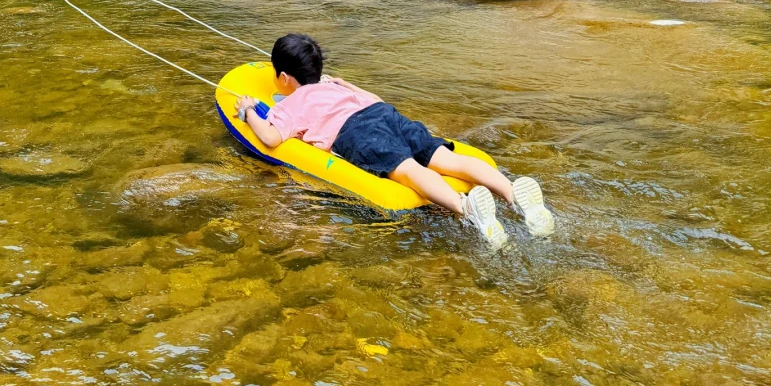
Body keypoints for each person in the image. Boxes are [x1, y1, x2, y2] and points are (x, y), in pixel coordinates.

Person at [236, 33, 554, 249]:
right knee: (446, 159)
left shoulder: (293, 101)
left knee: (407, 170)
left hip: (354, 131)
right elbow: (374, 98)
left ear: (283, 79)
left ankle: (466, 208)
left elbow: (270, 137)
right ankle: (513, 195)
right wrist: (349, 84)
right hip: (383, 113)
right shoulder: (337, 86)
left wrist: (250, 110)